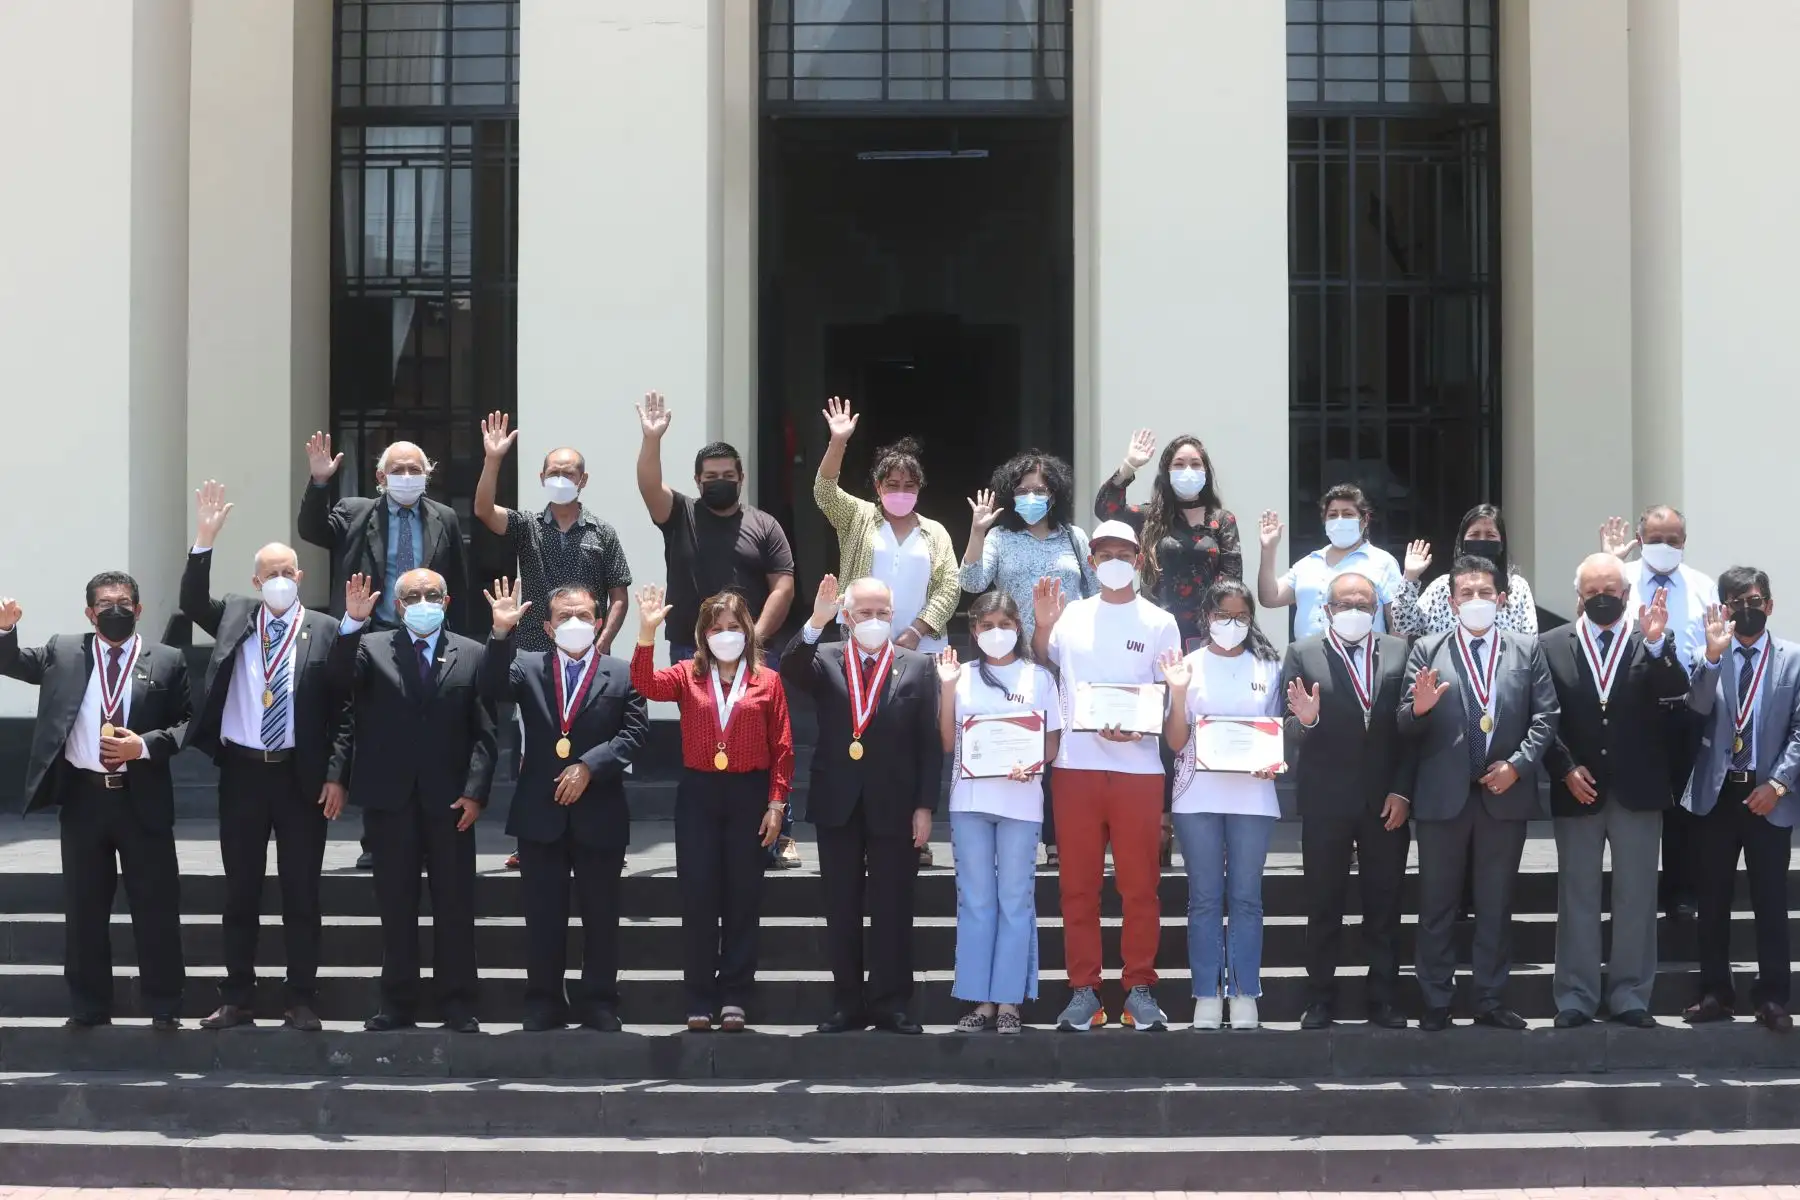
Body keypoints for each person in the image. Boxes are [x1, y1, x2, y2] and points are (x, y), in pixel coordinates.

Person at [183, 481, 345, 1032]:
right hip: (245, 773)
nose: (279, 581)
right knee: (241, 890)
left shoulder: (323, 630)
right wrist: (204, 540)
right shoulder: (235, 615)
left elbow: (344, 710)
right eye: (269, 574)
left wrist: (336, 775)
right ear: (256, 582)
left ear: (300, 578)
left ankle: (300, 997)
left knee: (302, 891)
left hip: (300, 776)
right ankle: (237, 998)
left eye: (287, 572)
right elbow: (190, 603)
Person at [0, 576, 189, 1030]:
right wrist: (6, 630)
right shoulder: (63, 651)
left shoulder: (167, 659)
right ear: (90, 613)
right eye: (105, 604)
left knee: (156, 905)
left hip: (141, 798)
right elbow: (13, 663)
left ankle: (164, 1005)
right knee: (85, 908)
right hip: (85, 800)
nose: (115, 609)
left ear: (139, 610)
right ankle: (88, 1005)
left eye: (124, 602)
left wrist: (142, 746)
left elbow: (186, 723)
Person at [634, 391, 799, 868]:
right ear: (697, 481)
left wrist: (756, 640)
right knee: (707, 737)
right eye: (711, 478)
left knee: (767, 737)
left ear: (741, 480)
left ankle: (779, 831)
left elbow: (783, 585)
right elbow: (649, 485)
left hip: (752, 650)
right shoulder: (680, 514)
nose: (720, 483)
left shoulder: (764, 525)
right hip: (691, 649)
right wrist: (651, 439)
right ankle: (709, 833)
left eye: (728, 477)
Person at [329, 569, 498, 1034]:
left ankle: (458, 1002)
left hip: (451, 802)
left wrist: (476, 791)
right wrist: (351, 625)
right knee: (396, 904)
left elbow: (485, 731)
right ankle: (397, 1002)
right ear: (398, 607)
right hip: (390, 799)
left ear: (445, 602)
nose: (421, 601)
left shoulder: (473, 652)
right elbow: (339, 684)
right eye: (411, 596)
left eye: (431, 594)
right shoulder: (371, 647)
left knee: (454, 905)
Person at [1032, 520, 1182, 1033]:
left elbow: (1168, 694)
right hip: (1076, 767)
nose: (1114, 559)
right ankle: (1084, 991)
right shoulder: (1072, 614)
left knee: (1141, 886)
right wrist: (1042, 625)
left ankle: (1139, 988)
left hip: (1138, 769)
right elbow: (1041, 661)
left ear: (1138, 560)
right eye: (1104, 552)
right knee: (1078, 887)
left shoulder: (1160, 621)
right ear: (1091, 562)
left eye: (1124, 551)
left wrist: (1142, 730)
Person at [480, 579, 648, 1032]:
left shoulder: (622, 672)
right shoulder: (527, 666)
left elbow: (634, 734)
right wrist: (499, 633)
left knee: (601, 914)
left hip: (600, 813)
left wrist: (590, 766)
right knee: (543, 915)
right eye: (563, 617)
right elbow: (490, 685)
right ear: (549, 629)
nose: (573, 624)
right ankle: (544, 1001)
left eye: (582, 616)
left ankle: (598, 1001)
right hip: (541, 814)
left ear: (597, 623)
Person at [299, 431, 471, 871]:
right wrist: (320, 483)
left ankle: (434, 834)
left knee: (432, 738)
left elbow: (459, 581)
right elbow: (314, 530)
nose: (407, 477)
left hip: (433, 640)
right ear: (380, 476)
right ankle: (377, 839)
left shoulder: (445, 517)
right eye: (399, 470)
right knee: (376, 739)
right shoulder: (356, 512)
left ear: (428, 477)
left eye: (416, 470)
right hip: (375, 640)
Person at [1400, 555, 1558, 1031]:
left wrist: (1518, 765)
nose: (1475, 601)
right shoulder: (1427, 648)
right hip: (1442, 796)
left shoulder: (1526, 649)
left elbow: (1545, 717)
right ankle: (1435, 999)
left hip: (1503, 793)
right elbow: (1403, 724)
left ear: (1502, 599)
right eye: (1465, 594)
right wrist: (1420, 709)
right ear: (1451, 602)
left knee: (1496, 902)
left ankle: (1490, 998)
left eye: (1484, 593)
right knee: (1436, 903)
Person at [781, 575, 941, 1035]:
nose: (875, 621)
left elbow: (929, 744)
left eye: (883, 613)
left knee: (893, 905)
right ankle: (847, 1003)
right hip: (838, 802)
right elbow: (789, 667)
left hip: (896, 803)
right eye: (865, 613)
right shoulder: (826, 658)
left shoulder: (917, 666)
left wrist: (925, 806)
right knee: (842, 906)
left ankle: (891, 1003)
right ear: (847, 617)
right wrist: (816, 619)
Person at [632, 585, 795, 1032]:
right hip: (700, 795)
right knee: (699, 898)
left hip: (749, 794)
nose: (726, 635)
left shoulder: (768, 681)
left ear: (747, 631)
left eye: (733, 627)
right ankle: (700, 995)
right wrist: (647, 633)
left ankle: (736, 995)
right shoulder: (688, 674)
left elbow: (782, 747)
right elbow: (644, 684)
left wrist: (776, 803)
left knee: (743, 897)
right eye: (716, 628)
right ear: (703, 635)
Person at [1541, 554, 1685, 1029]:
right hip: (1576, 789)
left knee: (1637, 896)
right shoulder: (1550, 645)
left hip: (1638, 791)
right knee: (1577, 895)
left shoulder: (1651, 641)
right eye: (1593, 593)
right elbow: (1542, 717)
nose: (1603, 600)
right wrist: (1564, 767)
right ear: (1577, 597)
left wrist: (1659, 641)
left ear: (1626, 595)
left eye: (1612, 592)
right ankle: (1576, 996)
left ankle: (1630, 995)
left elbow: (1675, 696)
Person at [1279, 572, 1415, 1031]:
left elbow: (1410, 732)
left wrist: (1402, 791)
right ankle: (1319, 998)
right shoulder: (1303, 653)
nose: (1354, 608)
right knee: (1323, 903)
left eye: (1363, 601)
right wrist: (1309, 721)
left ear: (1376, 606)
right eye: (1345, 602)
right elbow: (1289, 729)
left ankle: (1385, 999)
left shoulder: (1399, 651)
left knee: (1385, 904)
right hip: (1325, 801)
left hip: (1385, 802)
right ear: (1327, 609)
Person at [960, 450, 1094, 866]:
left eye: (1040, 489)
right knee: (1020, 742)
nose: (1032, 496)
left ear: (1055, 494)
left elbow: (1096, 593)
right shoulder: (1001, 538)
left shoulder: (1075, 538)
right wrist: (978, 531)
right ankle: (1017, 831)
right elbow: (971, 582)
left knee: (1064, 750)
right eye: (1023, 490)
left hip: (1066, 660)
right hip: (1014, 660)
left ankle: (1059, 838)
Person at [936, 591, 1061, 1034]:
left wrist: (1029, 764)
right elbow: (948, 742)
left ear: (1019, 628)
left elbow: (1051, 743)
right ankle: (980, 1000)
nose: (995, 634)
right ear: (973, 631)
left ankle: (1009, 1001)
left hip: (1022, 804)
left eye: (1004, 625)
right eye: (986, 626)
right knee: (975, 902)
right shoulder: (960, 675)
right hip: (970, 803)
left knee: (1014, 901)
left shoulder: (1039, 678)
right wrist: (947, 687)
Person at [1160, 580, 1283, 1031]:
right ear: (1207, 616)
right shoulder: (1187, 666)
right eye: (1223, 616)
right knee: (1205, 899)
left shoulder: (1270, 664)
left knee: (1247, 898)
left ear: (1251, 620)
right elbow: (1175, 742)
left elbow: (1279, 729)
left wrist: (1275, 758)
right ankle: (1206, 994)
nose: (1232, 625)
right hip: (1197, 796)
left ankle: (1246, 992)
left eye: (1241, 618)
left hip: (1253, 796)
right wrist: (1176, 694)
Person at [1682, 569, 1800, 1032]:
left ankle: (1772, 997)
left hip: (1769, 796)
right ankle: (1715, 992)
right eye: (1735, 601)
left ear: (1769, 605)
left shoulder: (1793, 660)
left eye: (1754, 600)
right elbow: (1694, 709)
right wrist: (1711, 657)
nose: (1745, 608)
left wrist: (1779, 785)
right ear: (1723, 609)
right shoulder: (1708, 655)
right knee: (1712, 900)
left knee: (1771, 901)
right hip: (1717, 795)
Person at [1602, 506, 1719, 921]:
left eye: (1673, 540)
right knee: (1634, 803)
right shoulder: (1620, 579)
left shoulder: (1704, 586)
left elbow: (1713, 644)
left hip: (1686, 710)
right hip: (1632, 711)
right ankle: (1634, 894)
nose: (1664, 547)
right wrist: (1612, 560)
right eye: (1655, 539)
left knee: (1683, 808)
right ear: (1639, 536)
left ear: (1685, 542)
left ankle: (1681, 892)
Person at [473, 412, 632, 655]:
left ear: (583, 480)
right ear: (542, 478)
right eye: (553, 474)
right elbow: (484, 510)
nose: (560, 480)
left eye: (568, 474)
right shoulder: (526, 525)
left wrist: (603, 642)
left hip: (588, 649)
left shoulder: (602, 532)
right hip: (535, 649)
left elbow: (619, 596)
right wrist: (493, 459)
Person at [813, 397, 960, 655]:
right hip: (863, 643)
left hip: (923, 647)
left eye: (909, 486)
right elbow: (824, 492)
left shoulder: (935, 532)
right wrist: (838, 441)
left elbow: (949, 587)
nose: (901, 491)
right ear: (879, 487)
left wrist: (916, 631)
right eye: (892, 485)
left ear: (919, 489)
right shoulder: (858, 516)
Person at [1093, 429, 1243, 645]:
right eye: (1179, 464)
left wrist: (1221, 629)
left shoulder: (1221, 520)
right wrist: (1129, 467)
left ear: (1206, 472)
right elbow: (1105, 510)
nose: (1188, 470)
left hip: (1205, 635)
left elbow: (1232, 581)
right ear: (1167, 472)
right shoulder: (1150, 517)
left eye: (1195, 464)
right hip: (1153, 629)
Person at [1257, 484, 1404, 639]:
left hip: (1363, 660)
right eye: (1333, 515)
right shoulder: (1308, 563)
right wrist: (1268, 549)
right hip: (1308, 660)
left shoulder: (1382, 561)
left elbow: (1398, 622)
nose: (1339, 520)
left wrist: (1393, 659)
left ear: (1365, 520)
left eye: (1348, 514)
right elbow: (1270, 598)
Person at [1393, 504, 1538, 637]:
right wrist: (1410, 577)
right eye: (1474, 535)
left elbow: (1530, 643)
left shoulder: (1517, 588)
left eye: (1490, 535)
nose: (1482, 541)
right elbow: (1404, 625)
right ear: (1462, 543)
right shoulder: (1441, 587)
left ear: (1501, 543)